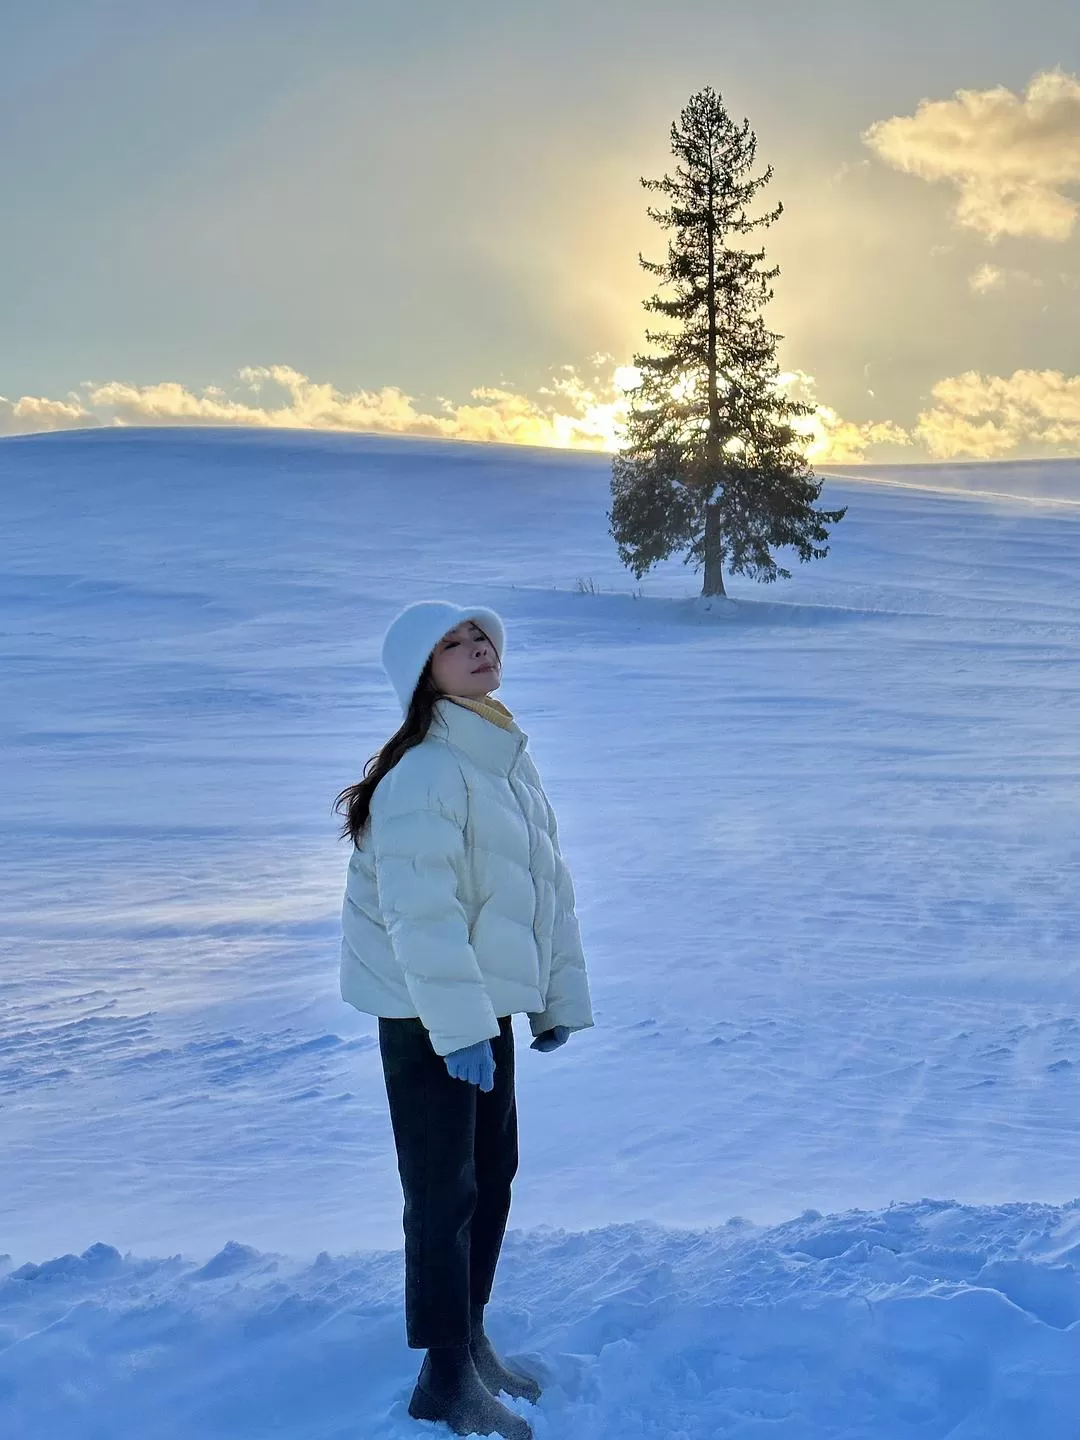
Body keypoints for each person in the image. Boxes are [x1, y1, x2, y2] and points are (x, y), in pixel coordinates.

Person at [334, 600, 595, 1439]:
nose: (477, 647)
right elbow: (423, 919)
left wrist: (550, 1000)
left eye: (480, 635)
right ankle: (443, 1380)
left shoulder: (501, 757)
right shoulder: (427, 773)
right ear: (424, 674)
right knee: (442, 1192)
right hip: (427, 1011)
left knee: (490, 1174)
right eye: (453, 643)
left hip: (478, 1007)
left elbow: (542, 893)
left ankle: (470, 1340)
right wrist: (459, 1029)